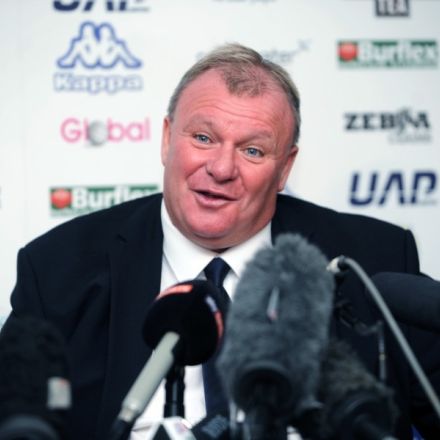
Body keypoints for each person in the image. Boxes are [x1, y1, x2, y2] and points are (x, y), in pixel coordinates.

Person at [4, 43, 440, 439]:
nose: (221, 168)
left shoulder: (373, 259)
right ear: (167, 139)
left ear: (285, 168)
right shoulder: (59, 269)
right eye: (203, 138)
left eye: (252, 150)